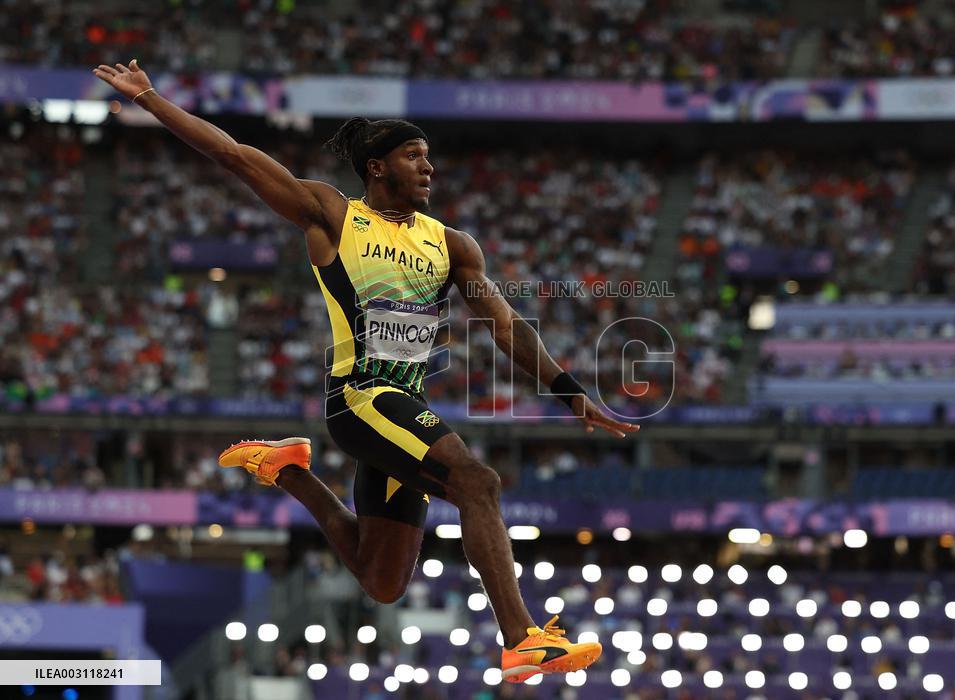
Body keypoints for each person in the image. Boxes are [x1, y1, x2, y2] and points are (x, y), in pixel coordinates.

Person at [93, 59, 639, 682]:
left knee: (380, 581)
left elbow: (506, 325)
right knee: (476, 482)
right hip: (362, 399)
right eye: (414, 155)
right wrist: (151, 99)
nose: (429, 167)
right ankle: (521, 637)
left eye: (429, 156)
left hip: (400, 406)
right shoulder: (333, 215)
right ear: (377, 166)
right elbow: (237, 157)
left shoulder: (452, 244)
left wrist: (570, 393)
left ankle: (290, 470)